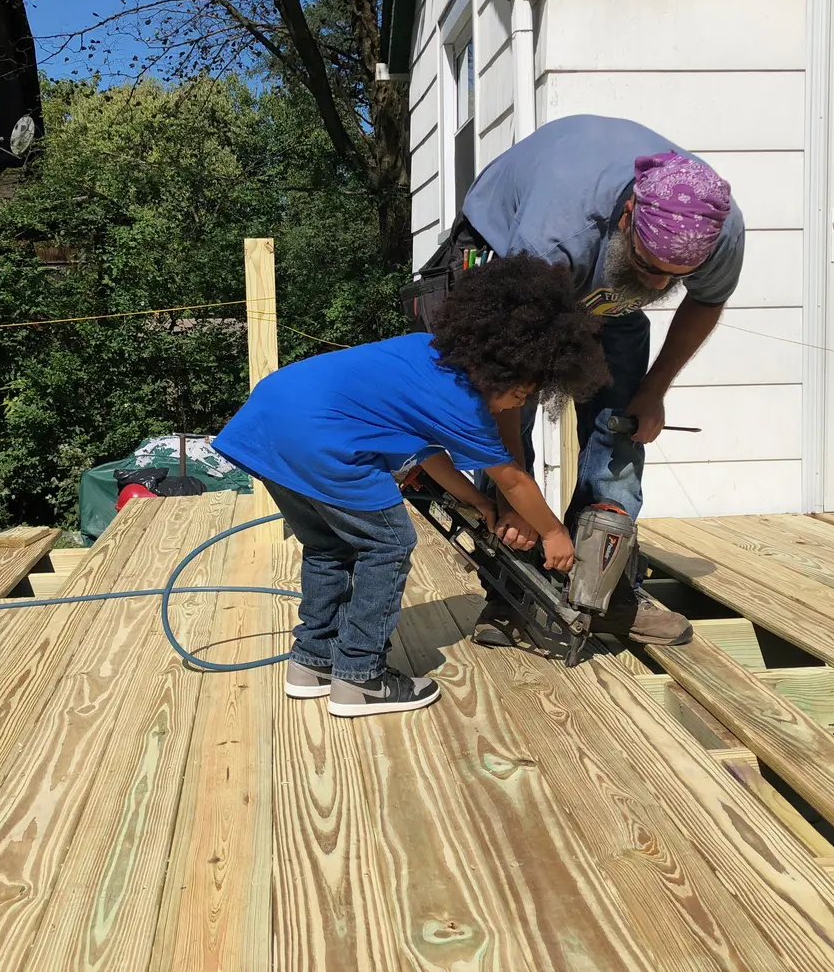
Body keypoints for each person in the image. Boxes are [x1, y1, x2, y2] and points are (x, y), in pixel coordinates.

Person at [213, 256, 609, 718]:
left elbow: (427, 454)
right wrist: (554, 533)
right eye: (520, 396)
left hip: (269, 422)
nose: (515, 407)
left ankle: (313, 662)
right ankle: (360, 678)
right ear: (505, 370)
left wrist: (477, 501)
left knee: (327, 547)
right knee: (388, 545)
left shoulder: (427, 354)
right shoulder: (463, 404)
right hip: (321, 440)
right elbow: (515, 480)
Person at [451, 115, 744, 647]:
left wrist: (653, 390)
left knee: (622, 420)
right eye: (650, 266)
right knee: (508, 407)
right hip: (507, 252)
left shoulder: (717, 229)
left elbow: (707, 300)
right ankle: (511, 588)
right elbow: (503, 380)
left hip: (599, 271)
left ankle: (603, 591)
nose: (658, 285)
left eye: (674, 276)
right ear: (628, 214)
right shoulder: (556, 233)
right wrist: (518, 490)